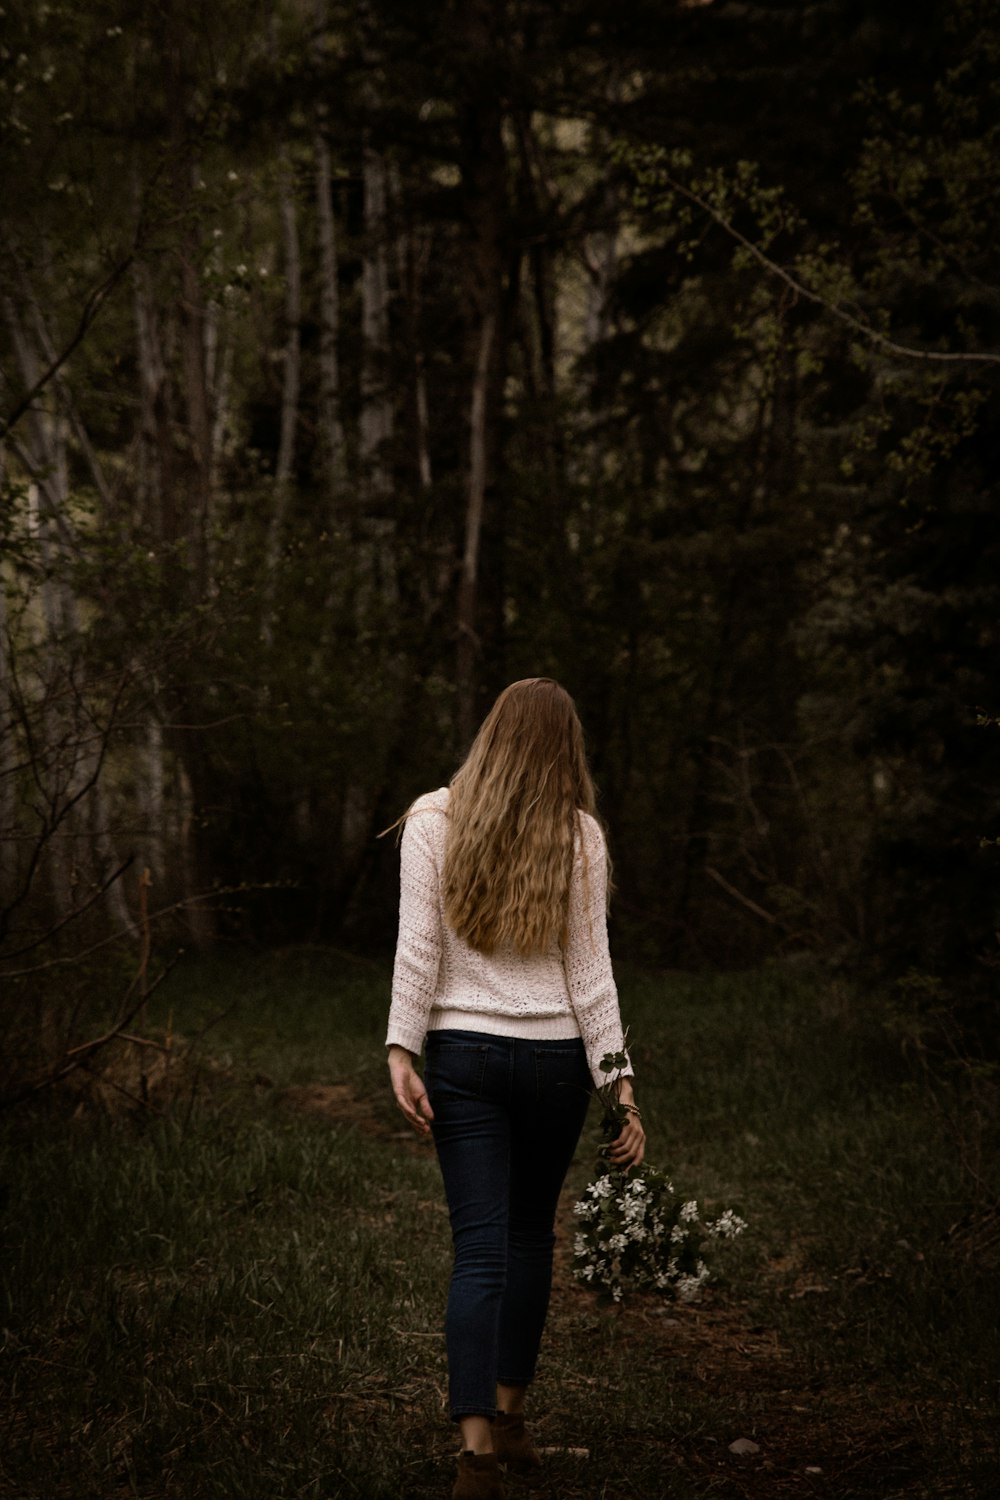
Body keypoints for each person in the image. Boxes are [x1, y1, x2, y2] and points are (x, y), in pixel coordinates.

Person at [385, 678, 644, 1500]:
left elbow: (417, 947)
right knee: (530, 1238)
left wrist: (401, 1047)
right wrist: (621, 1087)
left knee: (482, 1247)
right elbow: (591, 976)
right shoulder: (580, 835)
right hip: (554, 1062)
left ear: (491, 734)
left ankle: (476, 1455)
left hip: (462, 1058)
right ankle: (511, 1414)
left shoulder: (432, 819)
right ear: (567, 749)